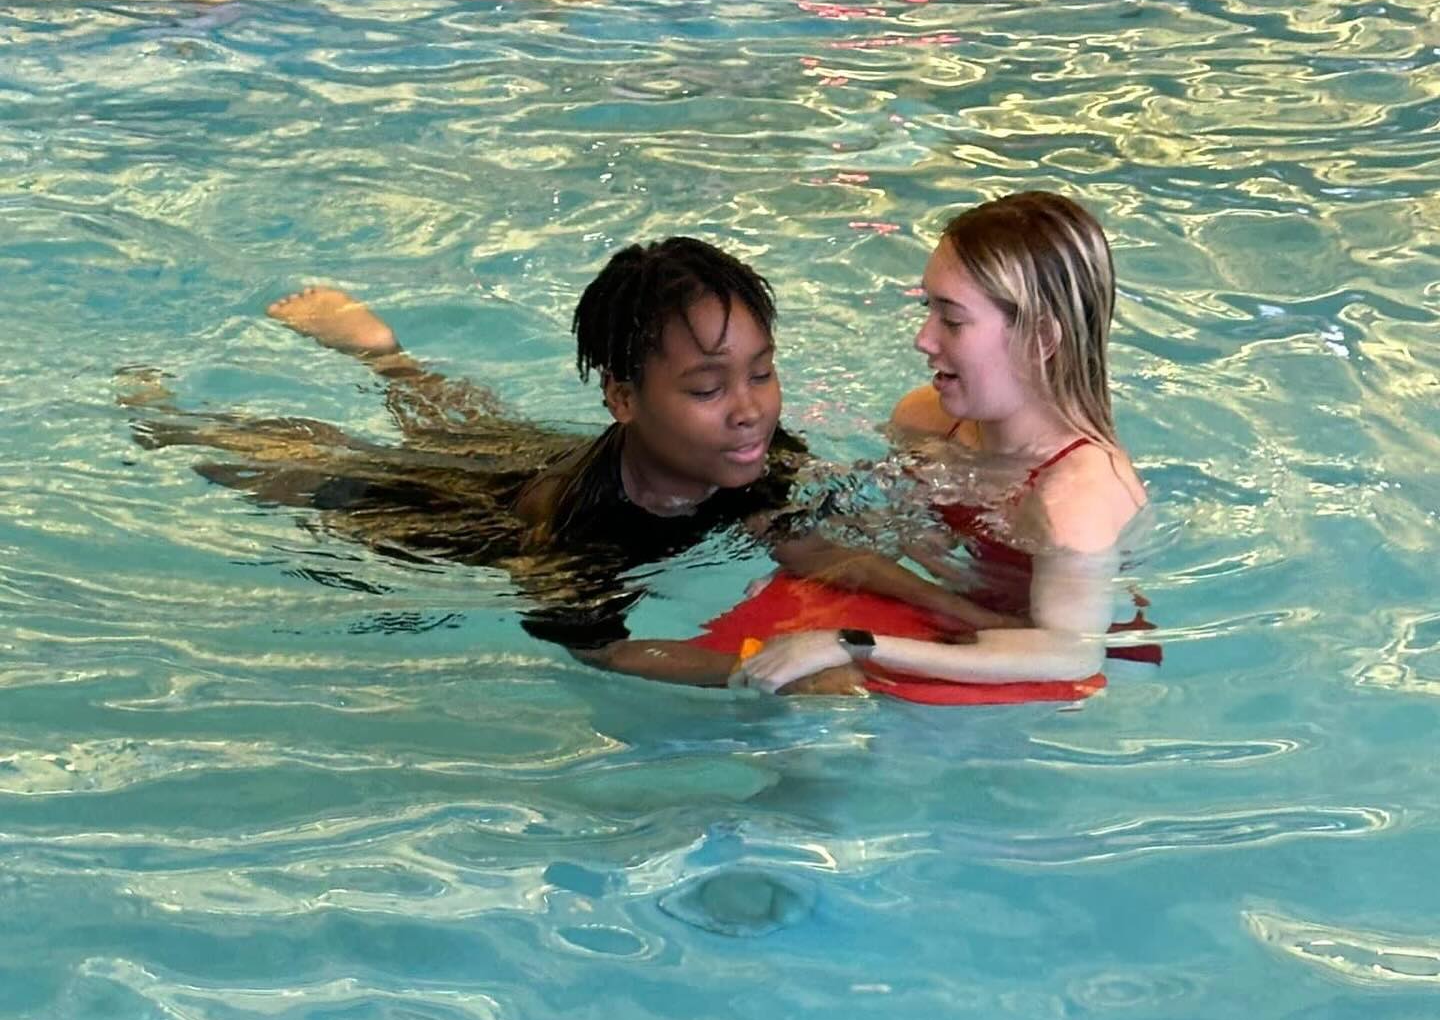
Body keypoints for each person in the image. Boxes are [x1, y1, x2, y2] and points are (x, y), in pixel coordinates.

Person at [131, 237, 977, 691]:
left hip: (545, 460)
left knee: (479, 429)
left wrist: (958, 604)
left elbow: (809, 546)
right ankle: (168, 415)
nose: (750, 406)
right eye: (708, 387)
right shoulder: (580, 535)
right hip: (466, 518)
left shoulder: (750, 451)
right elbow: (605, 654)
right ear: (623, 395)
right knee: (326, 471)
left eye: (761, 373)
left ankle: (391, 362)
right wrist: (763, 672)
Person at [733, 191, 1151, 696]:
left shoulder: (1075, 501)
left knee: (826, 732)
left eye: (951, 320)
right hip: (964, 618)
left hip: (1064, 671)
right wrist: (822, 573)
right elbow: (884, 525)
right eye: (929, 309)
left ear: (1042, 338)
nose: (924, 339)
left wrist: (849, 640)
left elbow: (1071, 655)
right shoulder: (926, 421)